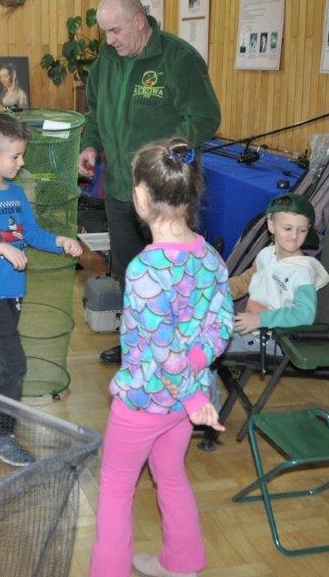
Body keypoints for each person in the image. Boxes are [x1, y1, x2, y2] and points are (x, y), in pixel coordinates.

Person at [89, 138, 233, 577]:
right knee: (170, 475)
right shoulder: (210, 256)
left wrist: (191, 395)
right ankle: (182, 562)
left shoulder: (145, 271)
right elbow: (221, 326)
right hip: (182, 403)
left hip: (147, 401)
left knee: (115, 488)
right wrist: (195, 375)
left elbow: (164, 352)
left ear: (140, 196)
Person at [77, 0, 221, 365]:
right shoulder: (105, 63)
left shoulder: (179, 58)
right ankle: (135, 347)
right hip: (120, 190)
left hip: (165, 194)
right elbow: (94, 113)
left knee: (171, 274)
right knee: (129, 270)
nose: (110, 40)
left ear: (139, 21)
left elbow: (204, 118)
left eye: (115, 30)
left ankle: (176, 352)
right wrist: (90, 145)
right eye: (105, 32)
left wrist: (166, 158)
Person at [0, 112, 83, 466]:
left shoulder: (15, 193)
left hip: (13, 294)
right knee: (13, 364)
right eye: (16, 156)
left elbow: (31, 233)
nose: (21, 162)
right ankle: (0, 434)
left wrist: (59, 241)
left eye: (22, 155)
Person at [228, 193, 329, 344]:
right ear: (271, 225)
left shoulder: (302, 273)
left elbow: (305, 315)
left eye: (302, 230)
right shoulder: (266, 254)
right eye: (287, 228)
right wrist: (215, 289)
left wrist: (260, 319)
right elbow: (244, 281)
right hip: (252, 329)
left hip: (275, 340)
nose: (294, 236)